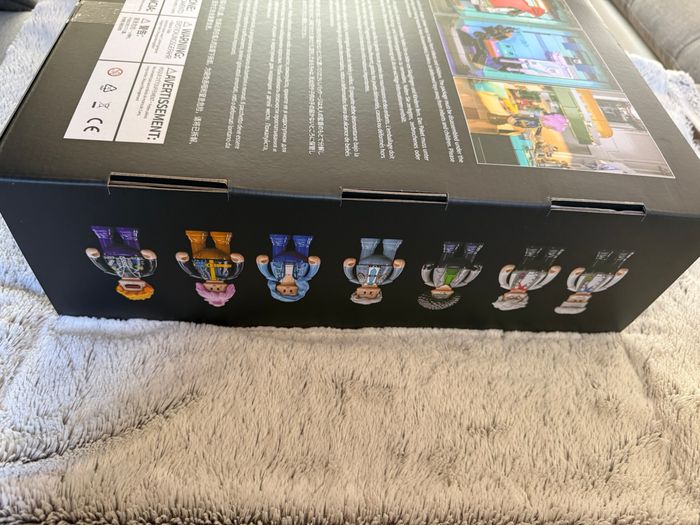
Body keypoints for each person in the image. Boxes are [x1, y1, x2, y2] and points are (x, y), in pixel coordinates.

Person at [86, 226, 157, 301]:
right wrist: (150, 257)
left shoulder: (113, 272)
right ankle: (128, 234)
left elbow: (102, 266)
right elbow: (151, 266)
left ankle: (102, 233)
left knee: (104, 239)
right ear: (144, 285)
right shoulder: (145, 273)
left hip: (110, 253)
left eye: (127, 286)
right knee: (130, 239)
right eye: (136, 286)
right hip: (132, 253)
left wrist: (94, 257)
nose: (131, 284)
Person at [175, 231, 244, 307]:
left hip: (200, 256)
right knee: (222, 244)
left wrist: (183, 260)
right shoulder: (228, 276)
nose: (214, 286)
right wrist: (238, 261)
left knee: (196, 244)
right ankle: (222, 239)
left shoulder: (200, 275)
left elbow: (189, 270)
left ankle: (196, 238)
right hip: (222, 256)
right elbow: (236, 272)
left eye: (210, 288)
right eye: (218, 289)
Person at [555, 250, 634, 315]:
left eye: (575, 300)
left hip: (590, 274)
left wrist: (576, 273)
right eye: (581, 301)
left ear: (569, 298)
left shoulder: (573, 287)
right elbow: (609, 284)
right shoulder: (598, 289)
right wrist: (619, 276)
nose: (580, 298)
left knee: (598, 263)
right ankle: (622, 257)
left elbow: (571, 280)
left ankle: (602, 255)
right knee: (614, 265)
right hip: (607, 275)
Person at [493, 246, 564, 311]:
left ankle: (531, 253)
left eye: (509, 298)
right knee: (546, 263)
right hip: (540, 272)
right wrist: (552, 274)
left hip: (522, 271)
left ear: (502, 297)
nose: (515, 296)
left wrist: (506, 271)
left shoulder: (505, 285)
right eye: (517, 298)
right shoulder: (533, 287)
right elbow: (543, 282)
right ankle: (552, 254)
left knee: (527, 261)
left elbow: (502, 278)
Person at [418, 242, 483, 310]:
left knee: (446, 257)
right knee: (468, 260)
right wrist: (475, 271)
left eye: (437, 294)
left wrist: (426, 269)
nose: (442, 293)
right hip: (463, 268)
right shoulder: (458, 284)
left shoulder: (431, 283)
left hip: (444, 267)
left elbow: (426, 278)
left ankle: (449, 248)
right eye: (445, 295)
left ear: (432, 292)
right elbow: (467, 280)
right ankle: (471, 250)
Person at [256, 234, 320, 303]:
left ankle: (278, 241)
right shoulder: (301, 278)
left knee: (278, 244)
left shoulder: (276, 278)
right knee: (302, 245)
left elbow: (267, 274)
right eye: (291, 291)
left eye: (284, 291)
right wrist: (314, 264)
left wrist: (262, 263)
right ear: (298, 290)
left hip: (279, 259)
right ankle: (303, 242)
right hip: (300, 259)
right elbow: (310, 275)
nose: (287, 289)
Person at [343, 238, 405, 305]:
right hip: (386, 263)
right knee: (391, 248)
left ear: (356, 292)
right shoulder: (382, 282)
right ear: (378, 293)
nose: (367, 292)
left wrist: (348, 266)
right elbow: (392, 277)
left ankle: (369, 243)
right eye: (371, 294)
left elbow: (350, 276)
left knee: (367, 247)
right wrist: (398, 267)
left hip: (365, 262)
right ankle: (392, 244)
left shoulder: (357, 280)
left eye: (364, 293)